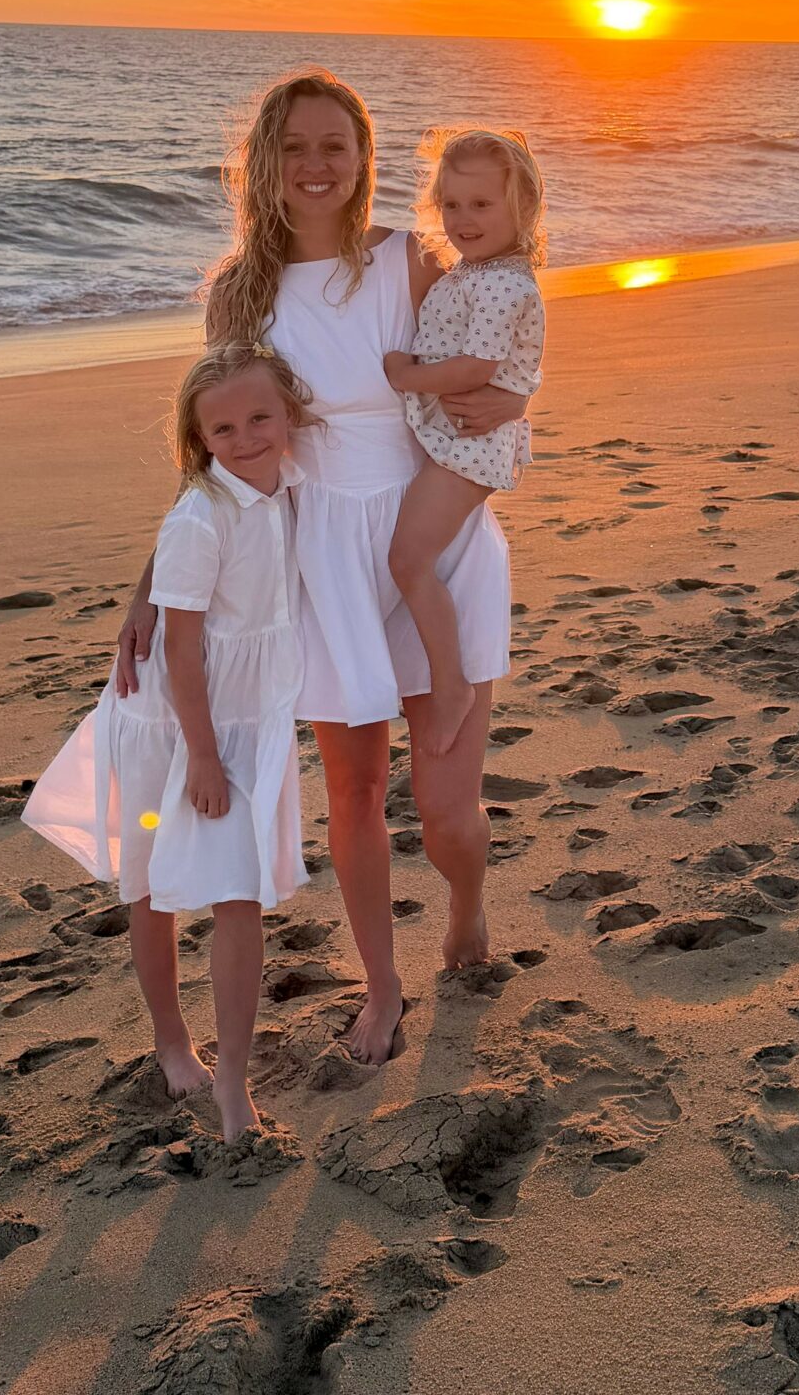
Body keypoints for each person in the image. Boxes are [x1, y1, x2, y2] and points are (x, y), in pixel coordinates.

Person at [116, 72, 527, 1064]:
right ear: (266, 159)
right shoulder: (238, 294)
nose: (315, 165)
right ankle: (383, 987)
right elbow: (217, 450)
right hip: (321, 550)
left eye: (334, 145)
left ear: (362, 156)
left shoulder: (406, 259)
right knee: (352, 790)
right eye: (295, 146)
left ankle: (468, 900)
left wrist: (505, 420)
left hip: (433, 533)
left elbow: (489, 365)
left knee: (445, 810)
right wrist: (150, 585)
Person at [22, 340, 315, 1142]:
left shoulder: (292, 487)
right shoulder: (200, 518)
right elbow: (182, 650)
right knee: (150, 888)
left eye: (261, 417)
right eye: (224, 429)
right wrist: (205, 757)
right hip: (171, 733)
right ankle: (172, 1040)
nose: (248, 436)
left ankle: (235, 1084)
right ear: (200, 443)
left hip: (247, 724)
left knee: (238, 893)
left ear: (290, 413)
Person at [383, 128, 546, 752]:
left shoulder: (503, 282)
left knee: (408, 560)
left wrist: (408, 377)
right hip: (459, 441)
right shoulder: (476, 271)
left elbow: (480, 366)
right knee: (413, 558)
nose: (462, 219)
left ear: (522, 210)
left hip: (470, 448)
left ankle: (450, 686)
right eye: (451, 205)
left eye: (482, 205)